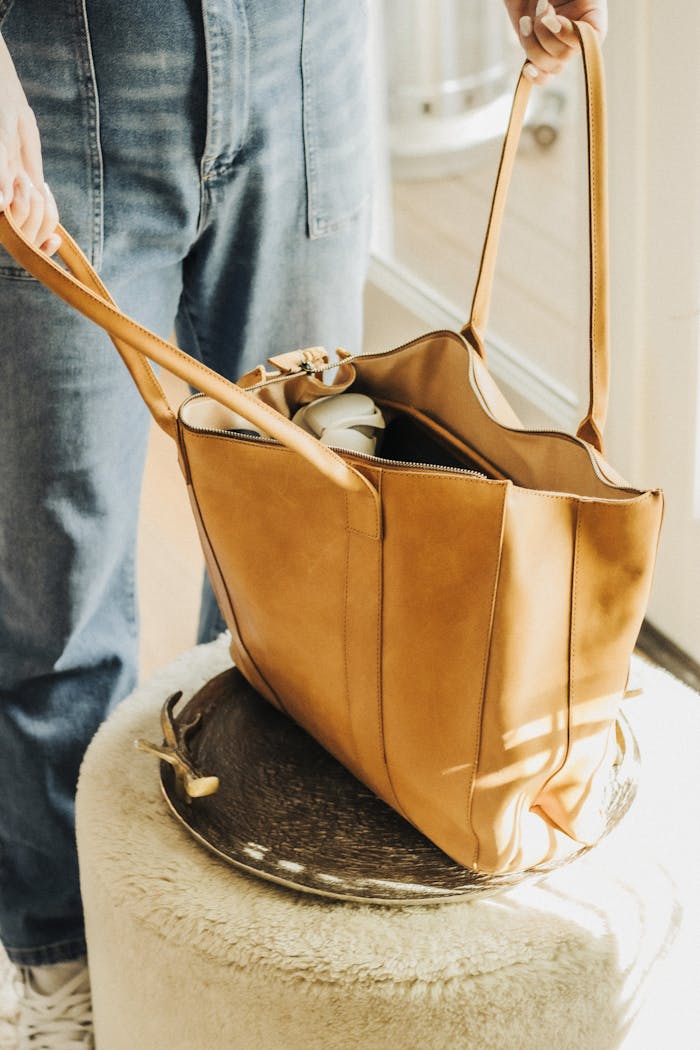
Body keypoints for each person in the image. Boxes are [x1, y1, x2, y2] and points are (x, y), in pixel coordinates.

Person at [0, 0, 607, 1045]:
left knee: (310, 565)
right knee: (57, 581)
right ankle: (63, 957)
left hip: (307, 53)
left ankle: (234, 940)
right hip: (58, 62)